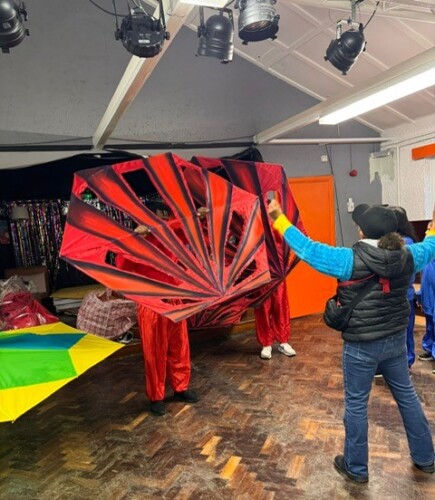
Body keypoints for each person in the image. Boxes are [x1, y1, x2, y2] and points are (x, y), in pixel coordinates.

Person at [267, 199, 435, 482]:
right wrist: (433, 226)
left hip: (361, 346)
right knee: (408, 397)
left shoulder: (348, 260)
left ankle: (356, 468)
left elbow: (308, 249)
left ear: (362, 232)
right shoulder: (409, 256)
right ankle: (426, 458)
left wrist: (278, 218)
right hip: (395, 343)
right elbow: (430, 246)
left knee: (357, 405)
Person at [115, 206, 207, 416]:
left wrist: (199, 217)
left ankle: (181, 387)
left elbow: (190, 231)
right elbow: (121, 266)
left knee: (179, 346)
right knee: (154, 352)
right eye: (157, 216)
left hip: (173, 299)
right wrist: (134, 239)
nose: (162, 219)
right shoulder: (135, 241)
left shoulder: (169, 234)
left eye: (162, 216)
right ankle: (156, 396)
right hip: (151, 304)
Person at [391, 207, 419, 369]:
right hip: (393, 296)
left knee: (406, 332)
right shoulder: (392, 240)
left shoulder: (406, 242)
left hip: (404, 295)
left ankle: (406, 363)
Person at [255, 280, 296, 359]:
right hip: (262, 277)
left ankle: (283, 341)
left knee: (280, 306)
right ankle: (266, 344)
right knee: (263, 309)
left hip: (278, 277)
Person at [417, 224, 435, 364]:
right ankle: (430, 349)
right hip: (428, 292)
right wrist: (421, 295)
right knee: (430, 324)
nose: (427, 231)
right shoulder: (427, 246)